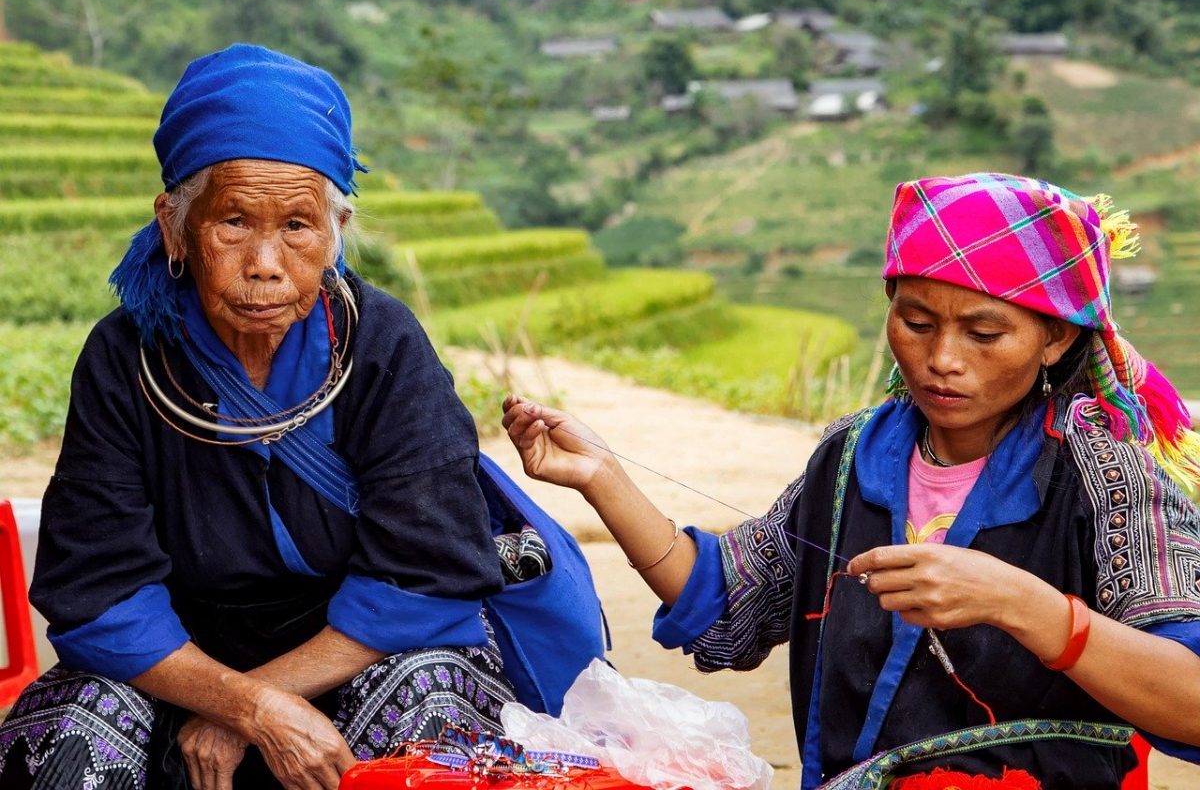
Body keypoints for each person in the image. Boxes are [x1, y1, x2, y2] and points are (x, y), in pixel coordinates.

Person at [0, 44, 604, 790]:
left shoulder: (383, 346)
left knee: (432, 709)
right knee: (67, 734)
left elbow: (427, 573)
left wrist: (258, 703)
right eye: (233, 222)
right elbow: (99, 588)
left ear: (336, 233)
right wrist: (245, 703)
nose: (265, 261)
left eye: (296, 225)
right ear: (174, 227)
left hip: (363, 655)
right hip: (178, 667)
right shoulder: (125, 358)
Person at [503, 173, 1200, 789]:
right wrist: (603, 479)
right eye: (917, 322)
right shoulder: (852, 458)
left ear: (1057, 338)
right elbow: (730, 604)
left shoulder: (1112, 478)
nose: (942, 359)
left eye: (984, 335)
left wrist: (1024, 605)